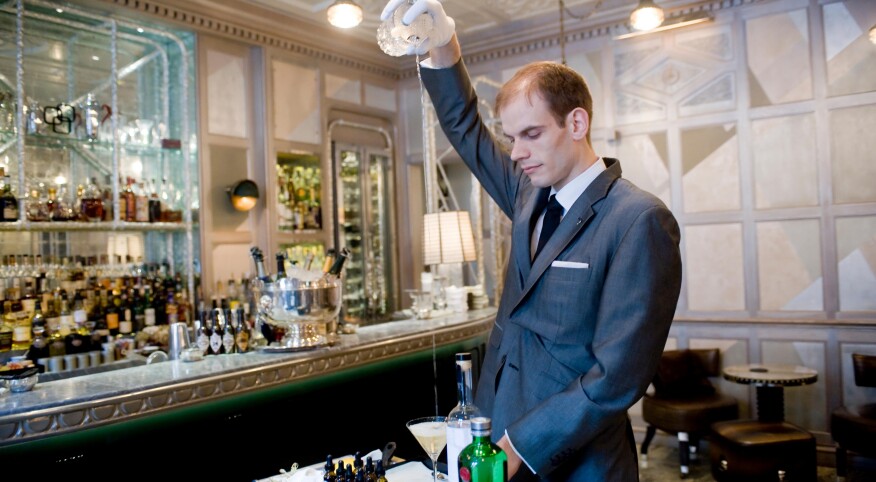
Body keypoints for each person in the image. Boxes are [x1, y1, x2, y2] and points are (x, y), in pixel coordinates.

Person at [380, 1, 683, 480]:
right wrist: (445, 45)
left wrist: (520, 444)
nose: (517, 153)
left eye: (532, 134)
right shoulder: (528, 192)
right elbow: (465, 128)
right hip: (496, 430)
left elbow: (617, 378)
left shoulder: (639, 220)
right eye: (511, 137)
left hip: (577, 458)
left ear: (577, 124)